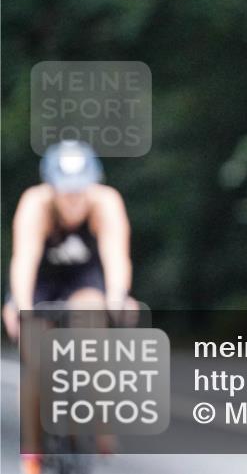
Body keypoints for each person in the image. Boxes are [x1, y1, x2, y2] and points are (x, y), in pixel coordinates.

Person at [3, 140, 135, 474]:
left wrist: (118, 298)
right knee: (35, 355)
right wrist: (21, 305)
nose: (73, 200)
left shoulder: (106, 203)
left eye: (80, 191)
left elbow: (116, 257)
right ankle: (31, 455)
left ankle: (98, 413)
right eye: (66, 192)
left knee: (93, 322)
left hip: (84, 280)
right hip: (41, 283)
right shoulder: (35, 205)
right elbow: (24, 261)